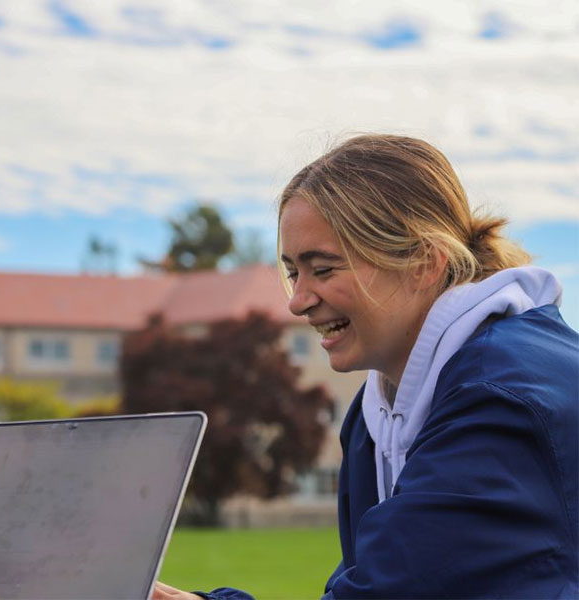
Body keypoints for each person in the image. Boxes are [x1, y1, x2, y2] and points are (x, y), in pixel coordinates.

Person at [154, 134, 578, 599]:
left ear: (423, 263)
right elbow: (373, 577)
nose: (298, 302)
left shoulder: (497, 400)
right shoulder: (373, 416)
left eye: (324, 269)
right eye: (294, 272)